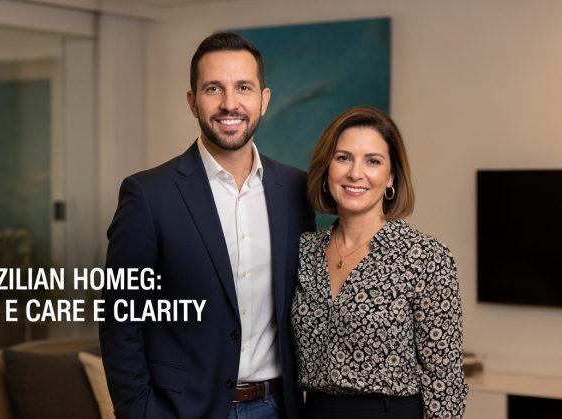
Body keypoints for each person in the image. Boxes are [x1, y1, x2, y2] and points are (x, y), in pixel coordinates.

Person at [100, 32, 316, 419]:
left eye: (243, 87)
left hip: (279, 408)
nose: (229, 103)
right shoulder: (148, 195)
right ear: (192, 101)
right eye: (213, 88)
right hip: (183, 410)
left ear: (264, 99)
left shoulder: (295, 190)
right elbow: (120, 319)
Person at [291, 105, 468, 418]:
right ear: (327, 169)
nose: (355, 173)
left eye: (372, 161)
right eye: (343, 158)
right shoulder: (305, 250)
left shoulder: (424, 257)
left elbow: (445, 381)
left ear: (391, 178)